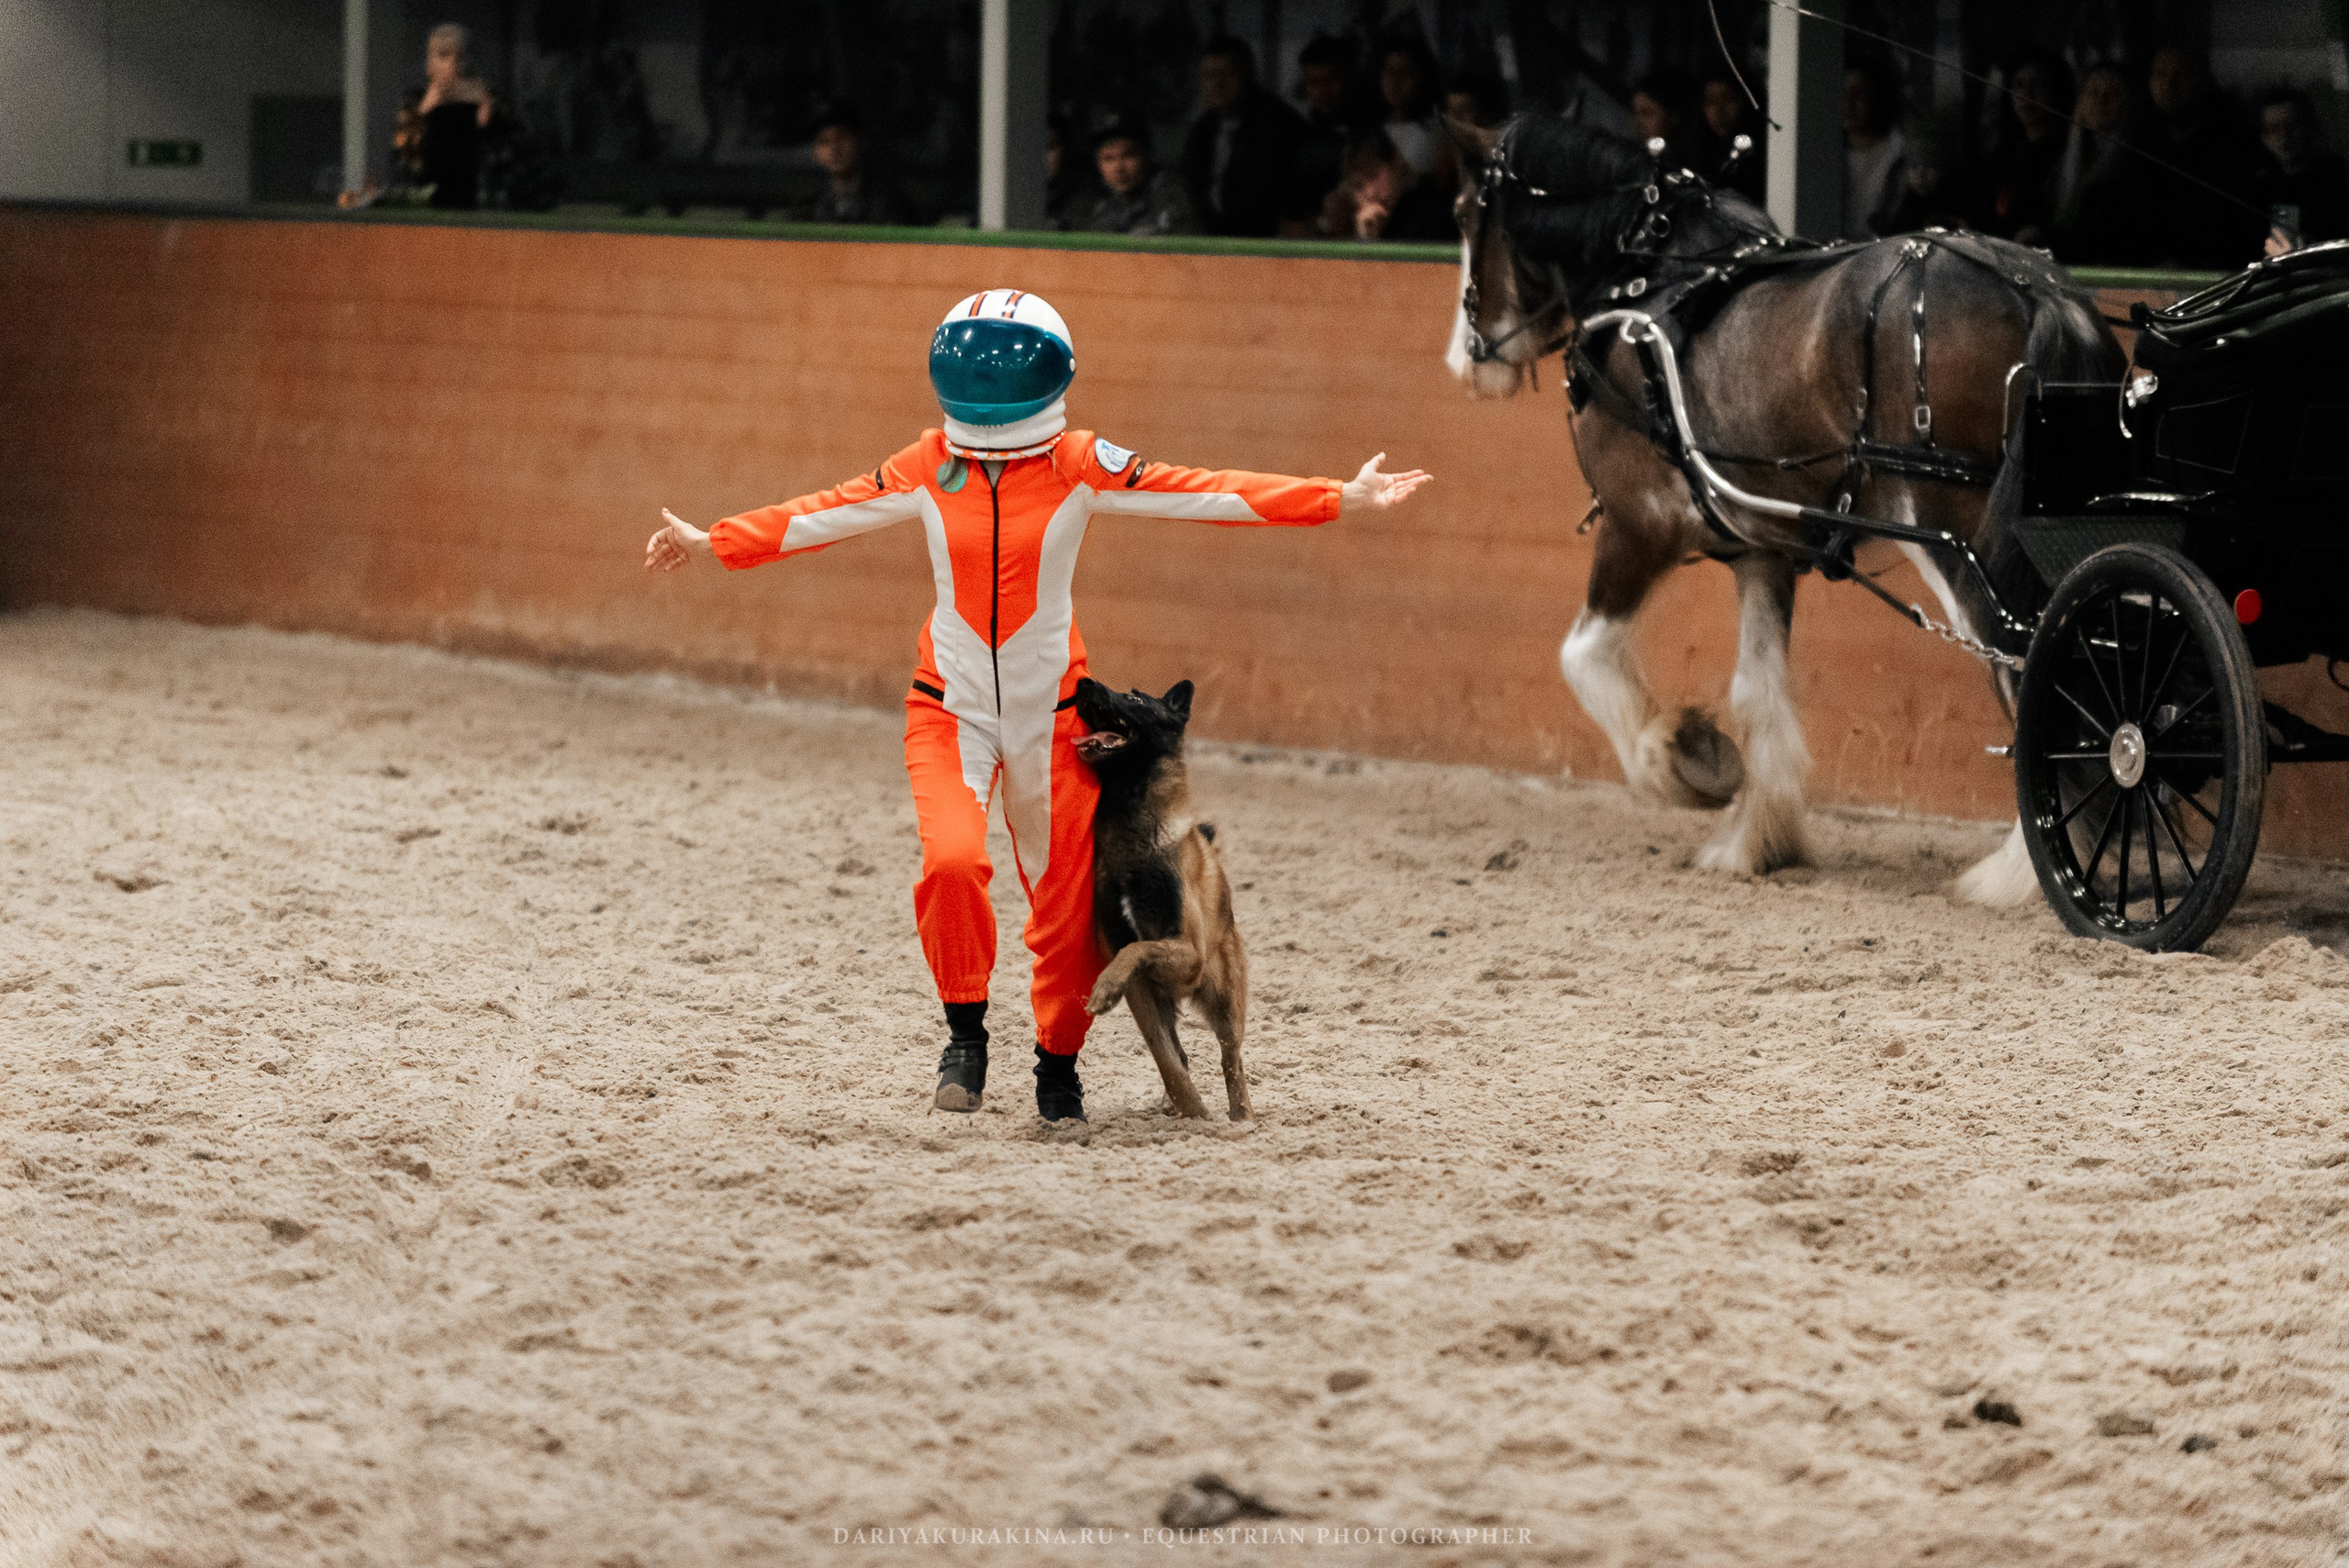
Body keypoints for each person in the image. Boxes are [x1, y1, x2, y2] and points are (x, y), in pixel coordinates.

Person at [641, 292, 1430, 1123]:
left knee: (1062, 912)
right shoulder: (925, 464)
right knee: (950, 861)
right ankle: (966, 1034)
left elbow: (1202, 490)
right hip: (947, 706)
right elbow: (824, 512)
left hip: (1054, 719)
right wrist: (715, 540)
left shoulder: (1081, 464)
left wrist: (1340, 496)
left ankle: (1058, 1063)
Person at [2142, 45, 2264, 267]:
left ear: (2202, 81)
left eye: (2181, 75)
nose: (2169, 85)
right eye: (2161, 74)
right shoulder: (2142, 142)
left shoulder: (2233, 146)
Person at [1180, 39, 1305, 237]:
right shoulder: (1203, 129)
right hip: (1212, 243)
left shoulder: (1279, 125)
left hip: (1263, 244)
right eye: (1209, 76)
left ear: (1248, 75)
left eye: (1226, 74)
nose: (1217, 84)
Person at [2050, 60, 2159, 264]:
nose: (2101, 101)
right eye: (2093, 92)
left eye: (2113, 94)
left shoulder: (2140, 164)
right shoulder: (2057, 156)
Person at [1980, 50, 2072, 245]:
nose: (2026, 94)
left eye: (2038, 84)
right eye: (2019, 84)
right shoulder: (2005, 153)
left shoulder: (2070, 152)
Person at [1288, 36, 1368, 234]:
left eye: (1332, 79)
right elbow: (1287, 219)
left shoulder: (1370, 133)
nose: (1323, 90)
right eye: (1313, 82)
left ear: (1349, 78)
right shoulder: (1294, 137)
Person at [2256, 87, 2349, 254]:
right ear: (2264, 137)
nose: (2284, 135)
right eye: (2274, 128)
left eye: (2291, 125)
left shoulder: (2334, 179)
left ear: (2309, 127)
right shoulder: (2262, 186)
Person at [1319, 131, 1454, 242]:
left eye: (1372, 175)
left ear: (1396, 163)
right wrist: (1366, 239)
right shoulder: (1375, 222)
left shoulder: (1434, 208)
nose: (1370, 192)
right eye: (1358, 186)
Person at [416, 23, 495, 209]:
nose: (452, 63)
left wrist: (483, 104)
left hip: (466, 179)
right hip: (432, 179)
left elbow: (486, 131)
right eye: (443, 55)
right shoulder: (422, 97)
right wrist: (427, 107)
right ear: (430, 61)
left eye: (459, 57)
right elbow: (410, 142)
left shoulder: (477, 93)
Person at [798, 103, 916, 226]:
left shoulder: (890, 203)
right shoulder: (808, 207)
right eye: (824, 142)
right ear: (815, 153)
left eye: (842, 137)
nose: (834, 149)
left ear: (860, 142)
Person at [1077, 122, 1194, 236]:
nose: (1118, 168)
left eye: (1128, 155)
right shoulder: (1091, 200)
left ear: (1145, 157)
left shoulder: (1170, 191)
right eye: (1108, 158)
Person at [1842, 55, 1909, 241]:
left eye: (1858, 95)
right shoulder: (1826, 154)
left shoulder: (1898, 155)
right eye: (1842, 94)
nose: (1848, 104)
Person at [1375, 39, 1443, 178]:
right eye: (1389, 70)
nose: (1395, 80)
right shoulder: (1369, 130)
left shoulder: (1438, 133)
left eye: (1405, 71)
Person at [1698, 71, 1765, 203]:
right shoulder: (1698, 152)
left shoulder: (1765, 154)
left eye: (1729, 100)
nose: (1718, 111)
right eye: (1710, 102)